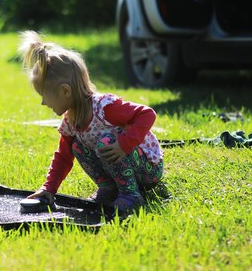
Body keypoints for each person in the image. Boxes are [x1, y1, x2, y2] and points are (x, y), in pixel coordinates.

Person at [18, 31, 164, 213]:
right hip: (123, 169)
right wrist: (48, 189)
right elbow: (63, 157)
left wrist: (123, 144)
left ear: (65, 91)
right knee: (77, 146)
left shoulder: (105, 108)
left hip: (148, 169)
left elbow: (147, 114)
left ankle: (131, 195)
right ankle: (109, 189)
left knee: (107, 141)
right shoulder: (71, 121)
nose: (43, 102)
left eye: (44, 96)